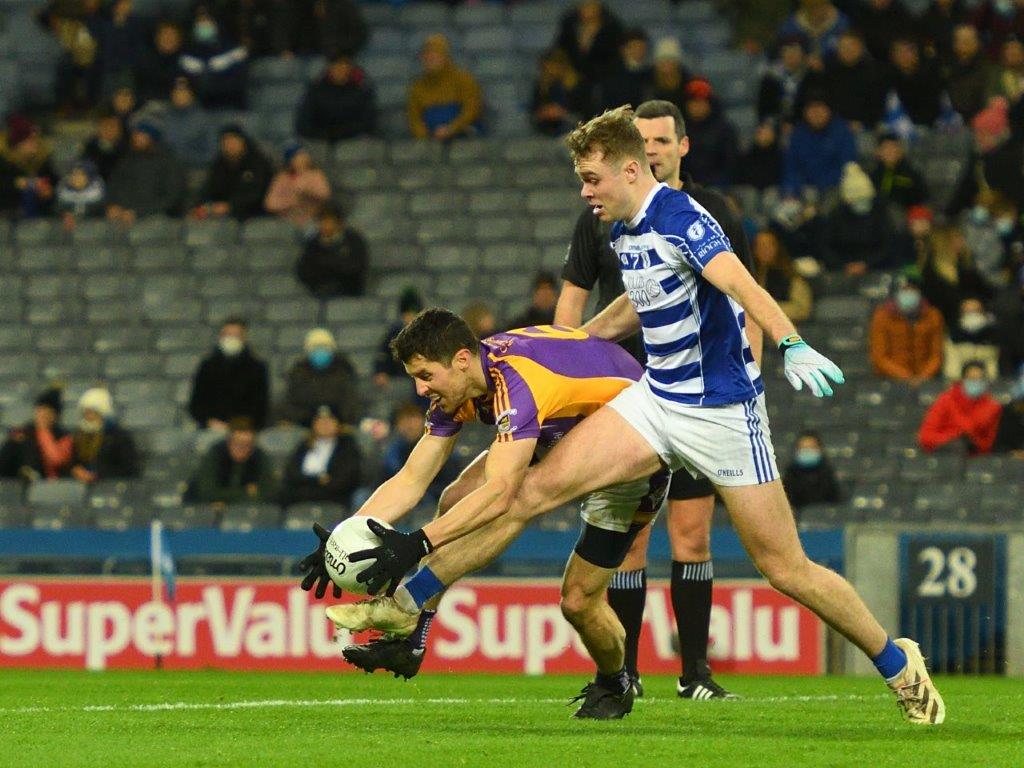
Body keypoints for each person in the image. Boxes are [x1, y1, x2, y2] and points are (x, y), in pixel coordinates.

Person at [324, 108, 946, 726]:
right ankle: (408, 604)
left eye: (592, 179)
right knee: (526, 491)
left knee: (785, 568)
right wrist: (575, 344)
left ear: (630, 169)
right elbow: (636, 303)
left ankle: (897, 661)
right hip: (656, 402)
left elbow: (745, 287)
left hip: (725, 413)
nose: (585, 191)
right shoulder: (621, 231)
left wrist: (789, 342)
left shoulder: (682, 219)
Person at [317, 309, 670, 719]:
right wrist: (346, 535)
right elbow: (412, 479)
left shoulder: (516, 385)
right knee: (456, 500)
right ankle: (413, 632)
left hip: (631, 451)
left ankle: (614, 681)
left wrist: (418, 544)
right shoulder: (465, 383)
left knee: (576, 599)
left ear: (461, 360)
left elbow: (501, 494)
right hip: (564, 431)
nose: (418, 389)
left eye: (426, 376)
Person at [555, 99, 760, 697]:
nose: (653, 150)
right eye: (642, 141)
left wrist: (755, 372)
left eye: (662, 141)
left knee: (692, 533)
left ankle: (694, 671)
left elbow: (744, 295)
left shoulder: (711, 213)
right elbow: (575, 298)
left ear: (682, 147)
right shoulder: (602, 215)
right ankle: (629, 670)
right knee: (632, 536)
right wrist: (567, 371)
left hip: (703, 393)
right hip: (630, 393)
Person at [188, 317, 270, 430]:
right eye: (227, 335)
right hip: (211, 428)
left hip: (244, 430)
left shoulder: (257, 368)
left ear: (244, 338)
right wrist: (209, 422)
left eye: (235, 335)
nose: (231, 339)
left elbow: (260, 406)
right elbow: (196, 404)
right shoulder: (207, 366)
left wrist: (238, 426)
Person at [869, 271, 945, 385]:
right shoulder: (882, 316)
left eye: (912, 289)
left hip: (926, 380)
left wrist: (923, 377)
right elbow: (880, 357)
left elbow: (936, 355)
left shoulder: (933, 316)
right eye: (904, 289)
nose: (909, 293)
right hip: (891, 380)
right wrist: (906, 377)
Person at [280, 405, 362, 508]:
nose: (324, 425)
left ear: (338, 424)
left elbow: (345, 478)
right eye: (320, 421)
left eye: (329, 421)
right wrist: (318, 479)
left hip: (333, 496)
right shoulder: (304, 445)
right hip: (300, 494)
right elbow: (292, 473)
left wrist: (316, 482)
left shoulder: (347, 446)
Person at [105, 121, 186, 226]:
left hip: (156, 217)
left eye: (142, 134)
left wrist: (139, 213)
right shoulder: (127, 160)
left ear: (152, 138)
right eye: (136, 134)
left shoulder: (168, 162)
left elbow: (171, 198)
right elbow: (113, 186)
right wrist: (112, 205)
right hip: (123, 216)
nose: (137, 138)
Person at [819, 162, 894, 275]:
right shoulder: (837, 216)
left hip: (876, 270)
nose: (861, 202)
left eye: (865, 198)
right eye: (857, 199)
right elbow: (825, 247)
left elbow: (887, 245)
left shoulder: (879, 213)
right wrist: (843, 265)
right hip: (842, 272)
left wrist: (867, 264)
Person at [781, 91, 858, 198]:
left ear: (828, 110)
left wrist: (822, 187)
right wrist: (792, 190)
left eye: (820, 108)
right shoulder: (798, 134)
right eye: (811, 109)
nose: (816, 113)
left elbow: (848, 166)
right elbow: (791, 167)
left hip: (834, 191)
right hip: (803, 191)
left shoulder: (842, 132)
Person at [407, 34, 482, 141]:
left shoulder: (464, 79)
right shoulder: (417, 87)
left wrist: (451, 129)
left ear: (445, 57)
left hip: (461, 135)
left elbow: (472, 109)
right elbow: (414, 118)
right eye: (427, 56)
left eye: (435, 55)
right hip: (431, 139)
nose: (431, 59)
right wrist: (424, 136)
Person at [279, 328, 360, 427]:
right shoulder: (298, 374)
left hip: (338, 426)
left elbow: (349, 403)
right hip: (305, 426)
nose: (320, 351)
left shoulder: (343, 372)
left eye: (325, 347)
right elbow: (292, 404)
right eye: (315, 348)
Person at [919, 360, 1003, 454]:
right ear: (962, 380)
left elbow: (988, 443)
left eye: (980, 379)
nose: (975, 383)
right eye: (971, 379)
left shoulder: (993, 407)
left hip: (974, 457)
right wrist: (953, 439)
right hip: (944, 452)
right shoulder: (945, 400)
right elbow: (925, 436)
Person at [193, 124, 273, 221]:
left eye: (233, 140)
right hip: (223, 215)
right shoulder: (219, 165)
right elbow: (208, 189)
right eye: (225, 142)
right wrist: (198, 206)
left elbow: (257, 193)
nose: (230, 145)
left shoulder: (258, 163)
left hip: (255, 214)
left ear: (243, 142)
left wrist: (230, 206)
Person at [187, 418, 277, 503]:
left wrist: (224, 498)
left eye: (247, 444)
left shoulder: (259, 456)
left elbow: (268, 491)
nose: (241, 448)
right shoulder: (216, 454)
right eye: (237, 443)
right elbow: (207, 492)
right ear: (229, 442)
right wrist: (246, 491)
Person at [179, 4, 249, 110]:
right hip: (197, 111)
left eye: (207, 21)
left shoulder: (235, 51)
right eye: (200, 22)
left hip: (231, 107)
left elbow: (239, 85)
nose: (203, 25)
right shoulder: (187, 54)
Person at [295, 55, 376, 143]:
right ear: (330, 68)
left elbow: (367, 122)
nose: (340, 69)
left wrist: (343, 133)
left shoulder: (361, 91)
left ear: (350, 68)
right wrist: (325, 134)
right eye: (337, 65)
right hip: (319, 140)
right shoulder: (315, 91)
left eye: (344, 66)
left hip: (353, 139)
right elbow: (304, 123)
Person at [295, 202, 368, 298]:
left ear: (338, 222)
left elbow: (356, 266)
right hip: (320, 292)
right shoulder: (313, 243)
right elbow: (304, 271)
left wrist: (328, 262)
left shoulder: (352, 240)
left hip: (349, 293)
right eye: (321, 221)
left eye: (328, 221)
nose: (324, 225)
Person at [0, 387, 72, 481]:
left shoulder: (63, 435)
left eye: (48, 412)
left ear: (56, 415)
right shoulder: (23, 432)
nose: (42, 414)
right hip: (18, 484)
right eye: (40, 410)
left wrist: (43, 432)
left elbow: (56, 460)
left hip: (51, 485)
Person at [69, 388, 139, 483]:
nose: (88, 416)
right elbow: (74, 462)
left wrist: (97, 476)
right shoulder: (79, 436)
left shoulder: (119, 437)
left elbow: (128, 469)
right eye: (85, 412)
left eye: (92, 412)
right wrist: (76, 471)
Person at [821, 29, 886, 129]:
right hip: (830, 125)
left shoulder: (874, 73)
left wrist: (863, 123)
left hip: (863, 127)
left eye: (850, 47)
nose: (846, 50)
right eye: (843, 47)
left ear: (861, 48)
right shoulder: (828, 69)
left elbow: (877, 107)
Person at [679, 78, 737, 189]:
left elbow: (729, 166)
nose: (697, 106)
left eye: (702, 102)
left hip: (717, 187)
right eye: (693, 102)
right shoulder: (678, 130)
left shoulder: (724, 130)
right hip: (684, 186)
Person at [554, 0, 624, 84]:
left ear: (599, 9)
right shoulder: (569, 26)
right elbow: (560, 51)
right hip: (572, 79)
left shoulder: (612, 29)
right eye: (583, 6)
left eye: (590, 6)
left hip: (603, 79)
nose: (586, 10)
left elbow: (617, 57)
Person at [0, 115, 56, 219]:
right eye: (30, 140)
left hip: (40, 215)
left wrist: (47, 192)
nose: (35, 144)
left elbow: (54, 182)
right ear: (18, 144)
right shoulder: (3, 161)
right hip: (6, 213)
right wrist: (15, 184)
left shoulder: (42, 159)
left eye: (35, 139)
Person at [264, 143, 331, 227]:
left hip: (311, 218)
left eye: (304, 155)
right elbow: (270, 203)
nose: (303, 158)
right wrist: (290, 202)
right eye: (298, 156)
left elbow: (325, 194)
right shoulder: (281, 178)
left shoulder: (316, 175)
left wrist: (308, 192)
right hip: (286, 220)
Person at [754, 228, 813, 323]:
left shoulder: (791, 275)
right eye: (760, 245)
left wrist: (768, 310)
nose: (764, 249)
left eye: (769, 245)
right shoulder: (748, 274)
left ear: (778, 247)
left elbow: (801, 309)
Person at [883, 37, 943, 127]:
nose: (904, 56)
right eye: (900, 52)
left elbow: (932, 109)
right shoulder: (885, 79)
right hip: (892, 126)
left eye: (908, 51)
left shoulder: (928, 79)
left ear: (916, 55)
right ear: (893, 56)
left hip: (924, 127)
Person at [529, 48, 589, 137]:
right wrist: (546, 112)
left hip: (571, 125)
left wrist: (562, 112)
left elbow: (584, 111)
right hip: (546, 127)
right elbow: (534, 110)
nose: (550, 70)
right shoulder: (542, 86)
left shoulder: (578, 85)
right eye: (547, 67)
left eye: (553, 66)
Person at [161, 77, 217, 168]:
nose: (180, 96)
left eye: (184, 92)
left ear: (192, 95)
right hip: (164, 170)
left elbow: (211, 153)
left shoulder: (205, 120)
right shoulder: (162, 116)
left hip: (194, 169)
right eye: (176, 92)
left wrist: (184, 159)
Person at [596, 28, 653, 113]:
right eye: (633, 47)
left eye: (641, 47)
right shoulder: (612, 75)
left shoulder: (651, 74)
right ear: (623, 50)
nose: (637, 51)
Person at [943, 297, 1001, 379]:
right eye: (968, 312)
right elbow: (951, 369)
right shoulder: (953, 337)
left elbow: (994, 367)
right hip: (960, 383)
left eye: (976, 311)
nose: (972, 316)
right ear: (961, 315)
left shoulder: (994, 337)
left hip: (987, 384)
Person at [945, 24, 993, 121]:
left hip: (977, 121)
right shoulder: (945, 68)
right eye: (960, 40)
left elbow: (986, 100)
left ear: (977, 43)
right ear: (954, 44)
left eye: (968, 40)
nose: (964, 44)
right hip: (948, 122)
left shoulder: (986, 69)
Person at [870, 132, 929, 212]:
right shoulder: (872, 176)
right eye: (886, 148)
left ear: (900, 151)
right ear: (878, 152)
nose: (890, 152)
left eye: (894, 147)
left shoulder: (911, 174)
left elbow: (922, 199)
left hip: (907, 216)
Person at [783, 431, 840, 510]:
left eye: (811, 448)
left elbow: (835, 500)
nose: (807, 451)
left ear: (819, 449)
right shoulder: (790, 475)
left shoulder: (828, 473)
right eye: (803, 448)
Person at [135, 20, 186, 104]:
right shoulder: (144, 61)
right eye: (165, 34)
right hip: (151, 106)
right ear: (157, 38)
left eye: (173, 35)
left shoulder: (186, 61)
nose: (169, 38)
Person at [56, 159, 106, 231]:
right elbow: (55, 211)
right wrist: (64, 215)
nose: (76, 178)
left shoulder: (98, 195)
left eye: (81, 174)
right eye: (73, 174)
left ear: (89, 177)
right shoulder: (63, 194)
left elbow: (101, 214)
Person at [79, 108, 127, 182]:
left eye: (112, 126)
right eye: (105, 126)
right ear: (99, 128)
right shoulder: (90, 147)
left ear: (120, 130)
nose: (108, 130)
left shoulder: (127, 149)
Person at [734, 121, 784, 190]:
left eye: (766, 132)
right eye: (759, 132)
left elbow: (780, 177)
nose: (762, 134)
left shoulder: (780, 156)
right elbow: (739, 177)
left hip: (772, 191)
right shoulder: (747, 155)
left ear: (773, 135)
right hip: (749, 190)